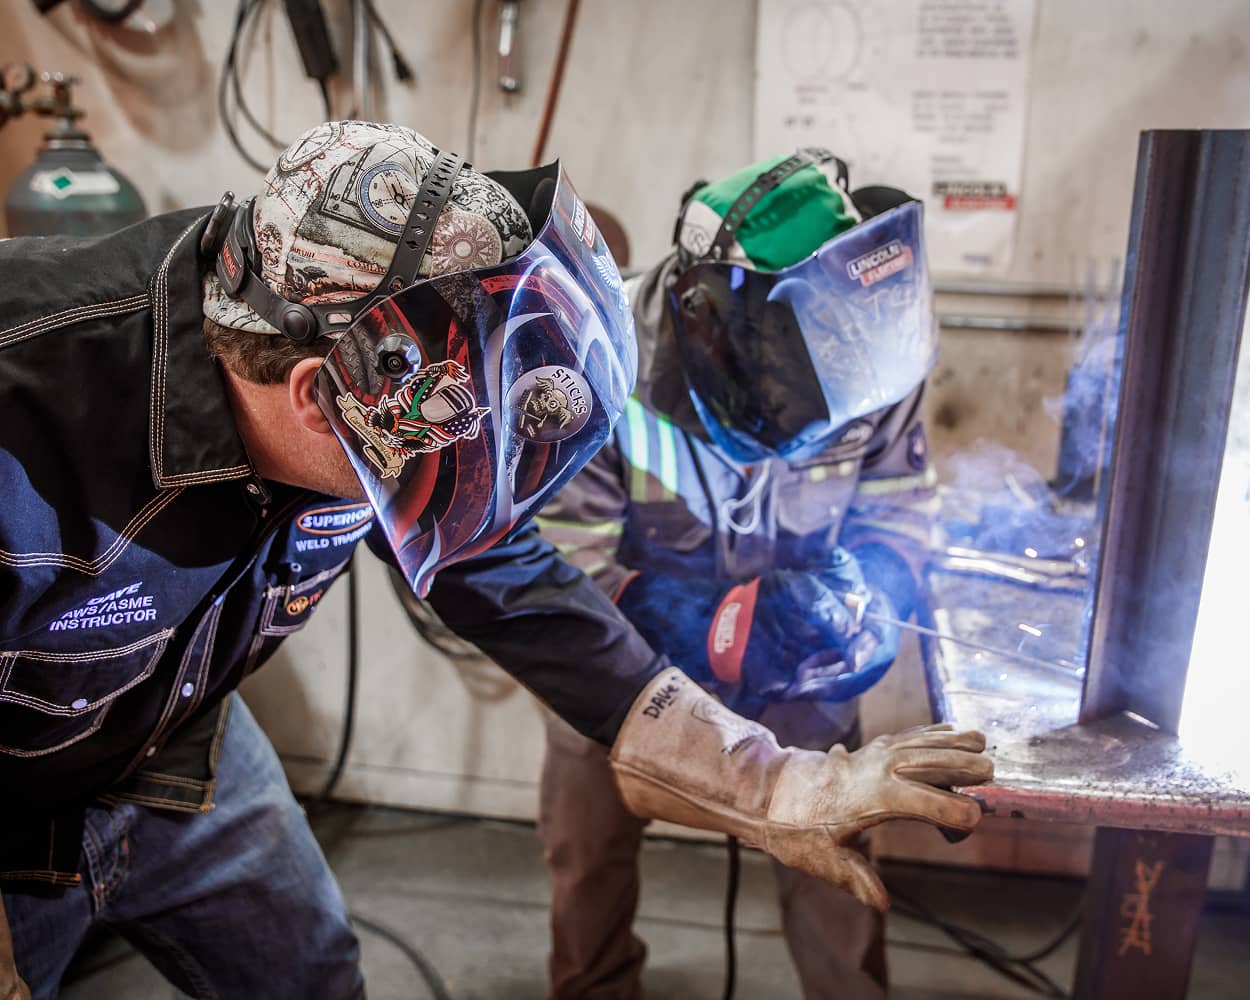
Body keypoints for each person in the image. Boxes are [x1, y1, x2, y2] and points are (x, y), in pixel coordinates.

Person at [0, 123, 991, 1000]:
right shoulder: (27, 415)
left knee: (310, 976)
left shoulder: (353, 371)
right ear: (313, 397)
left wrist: (767, 786)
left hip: (178, 730)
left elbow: (520, 588)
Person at [537, 149, 939, 999]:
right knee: (587, 857)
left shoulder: (873, 347)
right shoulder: (597, 362)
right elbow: (564, 570)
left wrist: (865, 604)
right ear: (709, 319)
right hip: (625, 665)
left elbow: (900, 513)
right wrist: (705, 626)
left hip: (801, 660)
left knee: (837, 867)